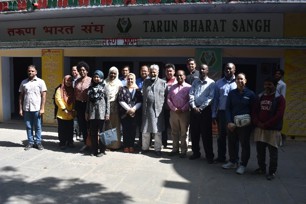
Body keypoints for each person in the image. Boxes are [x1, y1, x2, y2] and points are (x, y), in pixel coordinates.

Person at [252, 76, 286, 180]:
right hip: (260, 128)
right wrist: (257, 122)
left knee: (273, 153)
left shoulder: (280, 99)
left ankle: (272, 172)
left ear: (275, 86)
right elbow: (254, 111)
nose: (267, 86)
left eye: (270, 84)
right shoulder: (260, 96)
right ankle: (261, 168)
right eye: (266, 84)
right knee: (260, 151)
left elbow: (279, 115)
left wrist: (266, 124)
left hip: (273, 130)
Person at [222, 73, 256, 175]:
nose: (240, 81)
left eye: (242, 79)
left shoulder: (250, 94)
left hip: (245, 126)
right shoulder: (232, 93)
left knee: (244, 145)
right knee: (232, 143)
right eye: (238, 79)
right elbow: (227, 108)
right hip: (232, 124)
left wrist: (251, 124)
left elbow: (254, 110)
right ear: (235, 81)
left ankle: (243, 165)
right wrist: (229, 122)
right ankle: (233, 161)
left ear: (245, 81)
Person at [189, 64, 215, 163]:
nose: (201, 70)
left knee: (206, 135)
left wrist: (201, 108)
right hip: (194, 110)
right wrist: (194, 107)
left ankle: (209, 156)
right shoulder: (195, 82)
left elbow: (210, 97)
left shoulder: (212, 83)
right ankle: (196, 153)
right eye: (200, 69)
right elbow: (191, 94)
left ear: (207, 71)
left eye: (204, 69)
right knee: (194, 133)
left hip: (205, 111)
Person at [212, 63, 237, 163]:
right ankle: (221, 157)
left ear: (234, 70)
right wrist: (214, 114)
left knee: (233, 138)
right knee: (221, 137)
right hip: (222, 113)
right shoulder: (218, 83)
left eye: (230, 69)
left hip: (234, 114)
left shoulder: (238, 82)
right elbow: (215, 100)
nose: (228, 70)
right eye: (226, 69)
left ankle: (233, 159)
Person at [19, 65, 47, 151]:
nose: (30, 72)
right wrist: (20, 109)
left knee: (38, 126)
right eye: (29, 71)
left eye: (32, 71)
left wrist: (42, 108)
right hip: (26, 108)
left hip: (37, 109)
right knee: (28, 126)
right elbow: (21, 96)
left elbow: (44, 96)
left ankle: (38, 142)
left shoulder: (41, 82)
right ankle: (30, 142)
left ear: (36, 72)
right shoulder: (24, 82)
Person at [141, 64, 167, 157]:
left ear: (158, 72)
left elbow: (166, 96)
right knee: (145, 131)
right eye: (151, 72)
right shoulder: (145, 82)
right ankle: (145, 148)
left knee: (157, 132)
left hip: (158, 111)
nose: (153, 73)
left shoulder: (163, 83)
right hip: (146, 111)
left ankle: (157, 149)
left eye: (154, 72)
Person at [167, 70, 191, 158]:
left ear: (184, 76)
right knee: (174, 132)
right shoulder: (172, 87)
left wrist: (183, 108)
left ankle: (183, 150)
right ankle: (175, 149)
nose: (179, 77)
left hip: (184, 113)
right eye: (177, 76)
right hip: (173, 112)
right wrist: (174, 108)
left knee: (184, 132)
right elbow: (168, 99)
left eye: (181, 75)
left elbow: (190, 100)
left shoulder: (189, 87)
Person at [85, 70, 109, 157]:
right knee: (93, 133)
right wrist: (87, 112)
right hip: (92, 114)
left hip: (102, 114)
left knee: (102, 133)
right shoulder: (90, 88)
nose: (96, 78)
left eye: (98, 77)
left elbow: (108, 102)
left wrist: (107, 113)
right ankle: (94, 150)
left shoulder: (105, 87)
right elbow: (88, 102)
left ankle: (102, 150)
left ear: (101, 77)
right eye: (95, 77)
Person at [118, 73, 142, 153]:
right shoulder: (122, 89)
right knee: (125, 130)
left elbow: (140, 101)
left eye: (132, 79)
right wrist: (129, 109)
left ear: (134, 80)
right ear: (126, 80)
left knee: (133, 130)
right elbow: (120, 100)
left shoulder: (137, 90)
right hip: (125, 114)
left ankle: (131, 145)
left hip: (135, 114)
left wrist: (134, 109)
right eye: (128, 79)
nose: (130, 80)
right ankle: (126, 146)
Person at [104, 66, 122, 150]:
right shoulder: (105, 82)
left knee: (115, 126)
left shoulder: (119, 83)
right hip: (106, 107)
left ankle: (115, 145)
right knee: (107, 126)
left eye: (115, 73)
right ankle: (108, 145)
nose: (113, 75)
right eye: (111, 73)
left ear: (117, 74)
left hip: (116, 107)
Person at [74, 61, 92, 150]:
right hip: (79, 105)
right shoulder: (76, 81)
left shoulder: (91, 80)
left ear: (87, 71)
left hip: (88, 104)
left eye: (84, 70)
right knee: (82, 124)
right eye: (80, 70)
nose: (82, 72)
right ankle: (85, 142)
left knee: (89, 124)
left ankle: (91, 143)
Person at [55, 75, 75, 150]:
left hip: (71, 114)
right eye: (67, 80)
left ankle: (70, 141)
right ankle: (62, 143)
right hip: (62, 114)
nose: (69, 82)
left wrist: (73, 109)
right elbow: (58, 99)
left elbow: (75, 100)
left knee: (70, 129)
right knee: (62, 129)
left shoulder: (73, 90)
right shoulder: (59, 90)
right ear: (64, 81)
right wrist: (64, 109)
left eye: (70, 81)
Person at [162, 63, 177, 148]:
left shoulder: (177, 81)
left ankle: (174, 145)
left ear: (174, 71)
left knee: (173, 128)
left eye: (170, 71)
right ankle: (164, 143)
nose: (169, 73)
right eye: (167, 71)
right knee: (163, 127)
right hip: (163, 108)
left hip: (174, 109)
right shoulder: (161, 81)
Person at [135, 65, 149, 147]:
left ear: (148, 72)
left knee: (148, 125)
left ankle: (148, 142)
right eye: (142, 71)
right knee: (140, 125)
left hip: (148, 106)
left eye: (145, 71)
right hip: (138, 106)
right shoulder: (137, 81)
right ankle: (141, 141)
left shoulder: (150, 80)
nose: (143, 72)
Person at [274, 68, 287, 145]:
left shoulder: (282, 84)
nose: (277, 75)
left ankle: (279, 141)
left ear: (281, 76)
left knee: (278, 122)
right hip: (272, 104)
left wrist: (280, 107)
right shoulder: (272, 82)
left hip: (278, 104)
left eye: (279, 74)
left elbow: (283, 96)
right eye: (276, 73)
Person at [71, 65, 81, 141]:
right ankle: (75, 133)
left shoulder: (81, 80)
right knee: (74, 120)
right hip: (72, 102)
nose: (74, 72)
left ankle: (80, 134)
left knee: (80, 119)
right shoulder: (70, 80)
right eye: (73, 70)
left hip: (80, 102)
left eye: (75, 70)